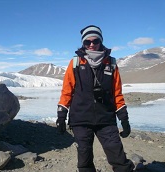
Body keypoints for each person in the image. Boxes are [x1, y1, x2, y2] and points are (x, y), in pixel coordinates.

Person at [56, 25, 135, 172]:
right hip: (80, 119)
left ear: (101, 41)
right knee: (84, 160)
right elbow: (67, 92)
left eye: (95, 41)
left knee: (118, 157)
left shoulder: (111, 64)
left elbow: (117, 93)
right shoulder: (75, 63)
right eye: (87, 42)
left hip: (106, 119)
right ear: (83, 44)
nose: (91, 44)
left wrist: (124, 119)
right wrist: (61, 116)